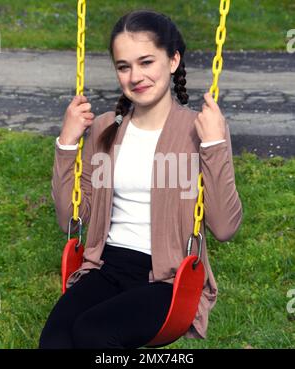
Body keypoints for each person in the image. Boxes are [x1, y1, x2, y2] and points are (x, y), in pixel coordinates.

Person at [39, 9, 242, 349]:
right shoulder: (105, 128)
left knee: (95, 333)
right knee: (56, 339)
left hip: (167, 280)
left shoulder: (198, 131)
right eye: (124, 66)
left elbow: (224, 228)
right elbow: (69, 219)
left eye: (146, 62)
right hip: (105, 267)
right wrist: (67, 144)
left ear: (173, 60)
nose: (135, 76)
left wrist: (214, 144)